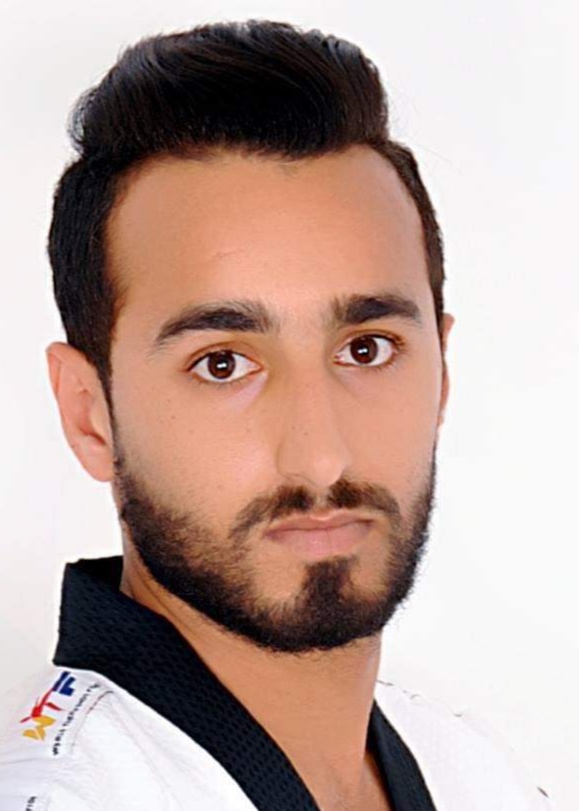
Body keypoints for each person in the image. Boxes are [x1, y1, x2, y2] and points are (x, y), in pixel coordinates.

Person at [0, 18, 552, 811]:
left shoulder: (476, 773)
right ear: (90, 415)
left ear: (441, 370)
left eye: (365, 348)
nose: (321, 456)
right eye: (222, 363)